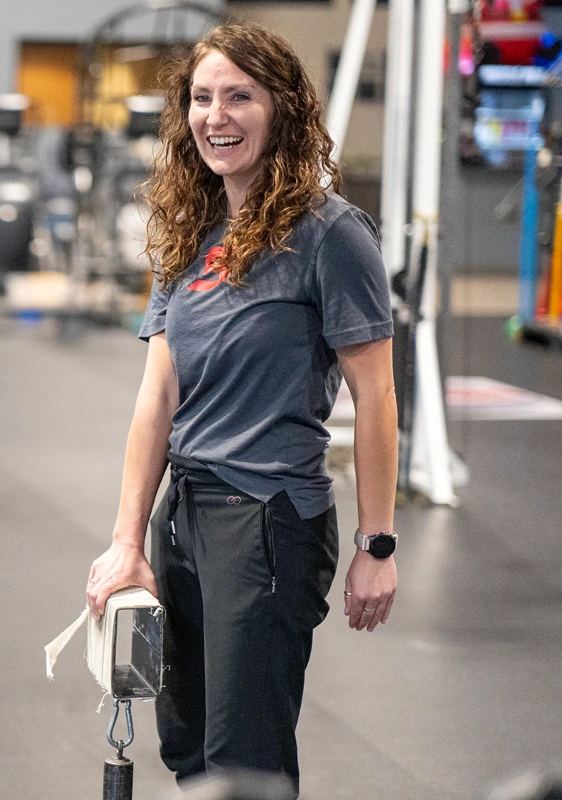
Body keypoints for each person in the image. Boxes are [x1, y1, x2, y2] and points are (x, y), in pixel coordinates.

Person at [83, 24, 399, 793]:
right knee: (187, 745)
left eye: (239, 96)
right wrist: (128, 541)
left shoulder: (331, 236)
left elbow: (378, 395)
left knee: (243, 757)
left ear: (283, 108)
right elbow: (157, 396)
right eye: (201, 98)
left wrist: (378, 544)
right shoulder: (192, 231)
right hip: (184, 515)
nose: (215, 116)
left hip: (266, 521)